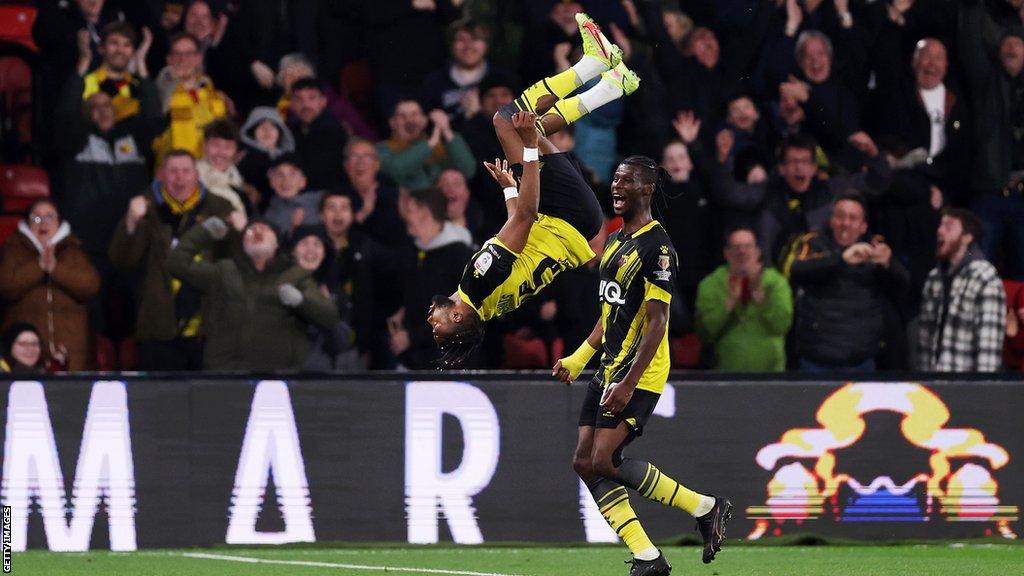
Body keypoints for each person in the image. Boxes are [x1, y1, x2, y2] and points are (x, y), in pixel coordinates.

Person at [427, 13, 639, 367]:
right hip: (562, 213)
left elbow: (519, 231)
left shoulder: (488, 303)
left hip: (571, 222)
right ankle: (593, 64)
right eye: (439, 328)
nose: (431, 320)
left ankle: (614, 85)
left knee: (532, 125)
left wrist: (511, 189)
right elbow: (526, 217)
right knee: (508, 122)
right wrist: (527, 151)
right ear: (458, 318)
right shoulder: (478, 280)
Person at [553, 156, 730, 575]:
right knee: (584, 461)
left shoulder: (658, 248)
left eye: (627, 181)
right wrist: (580, 358)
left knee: (603, 459)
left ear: (647, 189)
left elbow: (658, 321)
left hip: (641, 372)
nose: (617, 186)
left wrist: (630, 383)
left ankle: (703, 507)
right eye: (615, 179)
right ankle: (651, 553)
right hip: (609, 368)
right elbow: (609, 312)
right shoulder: (616, 241)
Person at [108, 149, 236, 370]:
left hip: (207, 331)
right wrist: (130, 222)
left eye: (186, 171)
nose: (180, 178)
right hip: (158, 329)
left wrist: (240, 231)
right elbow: (122, 260)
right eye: (173, 171)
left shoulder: (220, 207)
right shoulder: (144, 209)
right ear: (161, 175)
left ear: (197, 175)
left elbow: (235, 264)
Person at [167, 217, 339, 371]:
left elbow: (329, 317)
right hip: (226, 372)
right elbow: (176, 263)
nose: (256, 231)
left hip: (279, 375)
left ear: (277, 243)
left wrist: (302, 301)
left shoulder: (295, 274)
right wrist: (202, 233)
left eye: (264, 229)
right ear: (242, 243)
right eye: (250, 230)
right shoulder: (224, 271)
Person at [787, 194, 910, 372]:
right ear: (831, 221)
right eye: (840, 216)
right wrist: (841, 258)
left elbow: (903, 286)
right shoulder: (814, 242)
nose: (845, 223)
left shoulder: (874, 248)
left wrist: (888, 263)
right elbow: (797, 270)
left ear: (863, 226)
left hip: (860, 361)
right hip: (816, 360)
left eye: (853, 218)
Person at [0, 200, 100, 371]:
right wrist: (38, 266)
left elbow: (91, 286)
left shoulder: (73, 249)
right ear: (27, 223)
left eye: (49, 217)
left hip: (73, 354)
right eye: (36, 218)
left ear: (59, 222)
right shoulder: (14, 249)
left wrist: (55, 268)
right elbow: (6, 286)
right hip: (26, 357)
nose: (43, 223)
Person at [391, 188, 475, 369]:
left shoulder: (458, 255)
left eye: (411, 211)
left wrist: (412, 337)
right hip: (413, 359)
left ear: (425, 214)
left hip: (446, 363)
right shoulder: (413, 252)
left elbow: (459, 316)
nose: (406, 216)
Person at [917, 209, 1006, 372]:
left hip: (967, 387)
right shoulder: (934, 277)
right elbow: (924, 341)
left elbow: (989, 347)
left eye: (949, 227)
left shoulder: (985, 277)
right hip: (934, 383)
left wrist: (984, 390)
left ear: (967, 237)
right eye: (940, 226)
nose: (940, 231)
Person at [696, 228, 792, 371]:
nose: (742, 252)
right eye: (736, 247)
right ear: (726, 253)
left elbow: (783, 325)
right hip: (725, 373)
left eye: (748, 246)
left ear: (757, 251)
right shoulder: (711, 284)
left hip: (771, 374)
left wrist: (763, 303)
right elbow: (704, 333)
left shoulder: (776, 282)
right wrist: (729, 305)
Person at [152, 32, 229, 165]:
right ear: (169, 59)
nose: (182, 59)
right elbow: (155, 120)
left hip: (208, 170)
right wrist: (171, 82)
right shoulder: (158, 91)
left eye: (188, 54)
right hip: (174, 171)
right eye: (177, 54)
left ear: (198, 58)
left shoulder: (212, 93)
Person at [376, 98, 477, 189]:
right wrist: (430, 144)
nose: (410, 120)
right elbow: (396, 170)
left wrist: (446, 130)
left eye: (414, 114)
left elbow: (468, 170)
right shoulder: (382, 149)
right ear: (392, 123)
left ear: (424, 121)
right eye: (402, 116)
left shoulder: (439, 147)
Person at [287, 78, 349, 191]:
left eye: (312, 98)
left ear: (323, 101)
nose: (305, 104)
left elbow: (319, 172)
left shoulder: (334, 131)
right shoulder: (290, 130)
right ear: (292, 104)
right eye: (298, 99)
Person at [238, 106, 296, 209]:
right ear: (252, 131)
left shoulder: (291, 158)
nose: (267, 131)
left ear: (280, 132)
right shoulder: (244, 158)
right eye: (261, 126)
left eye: (272, 126)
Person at [262, 155, 323, 239]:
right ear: (272, 182)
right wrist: (295, 228)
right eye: (280, 175)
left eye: (292, 174)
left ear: (303, 181)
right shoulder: (270, 216)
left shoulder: (321, 200)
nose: (286, 181)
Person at [196, 119, 250, 214]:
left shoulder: (238, 178)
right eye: (215, 145)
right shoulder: (192, 176)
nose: (221, 152)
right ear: (204, 145)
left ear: (236, 151)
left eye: (228, 147)